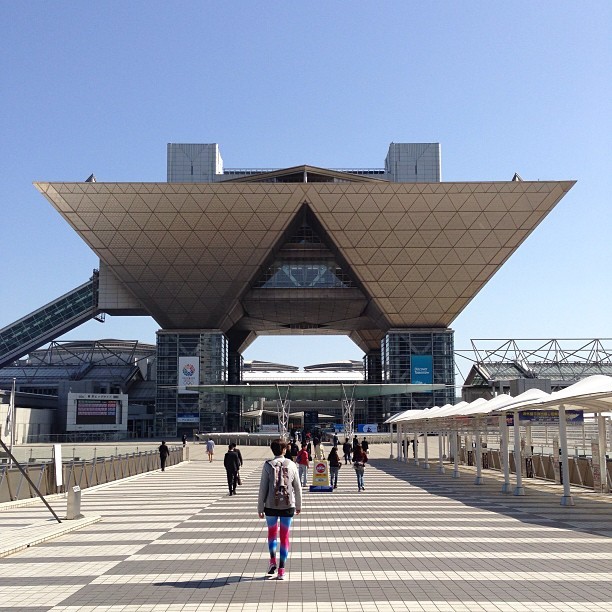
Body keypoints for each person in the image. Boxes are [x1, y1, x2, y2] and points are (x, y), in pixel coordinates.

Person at [258, 439, 302, 580]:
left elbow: (263, 488)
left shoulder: (267, 465)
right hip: (288, 506)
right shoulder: (292, 465)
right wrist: (299, 505)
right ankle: (282, 569)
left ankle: (272, 561)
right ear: (284, 450)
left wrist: (260, 507)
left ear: (272, 450)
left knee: (272, 534)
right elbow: (297, 487)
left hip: (270, 505)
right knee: (284, 536)